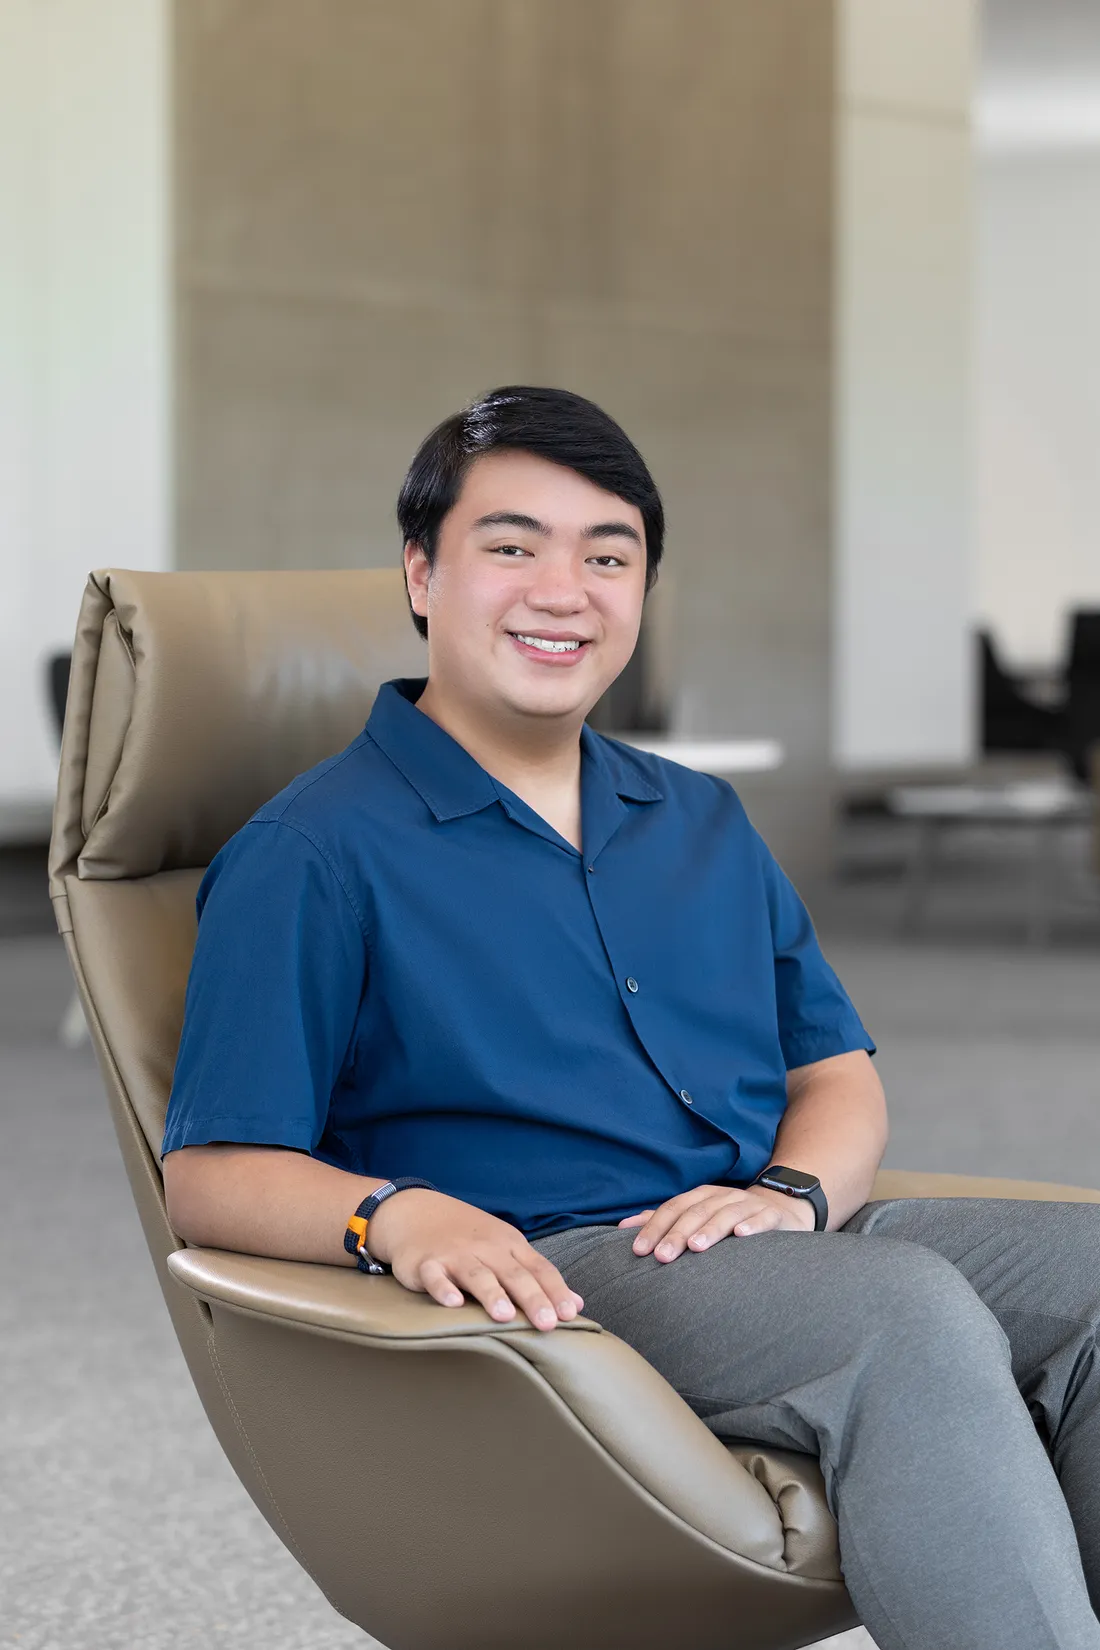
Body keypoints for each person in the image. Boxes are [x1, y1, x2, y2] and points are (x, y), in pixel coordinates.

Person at [162, 385, 1100, 1650]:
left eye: (608, 556)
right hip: (562, 1268)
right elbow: (210, 1175)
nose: (565, 591)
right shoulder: (312, 852)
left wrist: (791, 1193)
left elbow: (834, 1071)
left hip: (760, 1232)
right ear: (421, 574)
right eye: (511, 547)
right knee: (907, 1314)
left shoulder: (697, 818)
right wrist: (397, 1213)